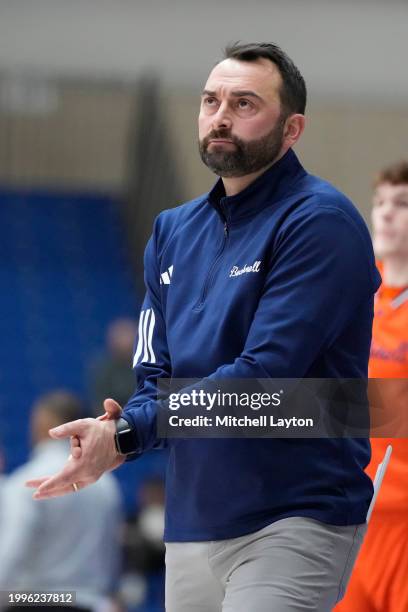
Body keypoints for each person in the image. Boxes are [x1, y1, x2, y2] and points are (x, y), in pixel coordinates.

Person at [27, 43, 381, 611]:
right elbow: (153, 382)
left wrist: (128, 436)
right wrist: (116, 433)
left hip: (294, 518)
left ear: (292, 129)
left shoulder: (320, 223)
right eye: (211, 100)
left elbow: (261, 381)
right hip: (190, 524)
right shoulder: (171, 230)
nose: (221, 116)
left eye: (244, 104)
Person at [335, 161, 408, 612]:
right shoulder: (354, 291)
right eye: (379, 202)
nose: (383, 214)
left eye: (401, 205)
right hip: (351, 517)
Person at [0, 391, 123, 612]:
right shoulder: (107, 485)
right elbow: (112, 552)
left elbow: (11, 551)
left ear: (44, 422)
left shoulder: (25, 482)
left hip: (36, 603)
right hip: (91, 603)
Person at [88, 318, 139, 417]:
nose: (124, 341)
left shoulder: (152, 364)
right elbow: (100, 403)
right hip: (114, 418)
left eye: (127, 335)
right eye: (120, 336)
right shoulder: (103, 368)